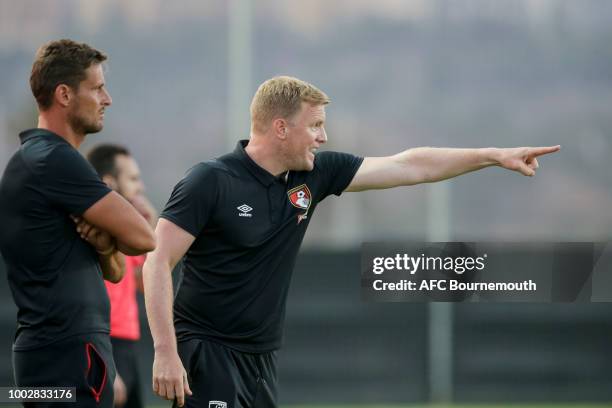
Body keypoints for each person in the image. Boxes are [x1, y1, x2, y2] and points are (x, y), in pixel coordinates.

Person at [143, 76, 560, 408]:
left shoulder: (314, 175)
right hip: (207, 351)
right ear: (281, 127)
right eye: (316, 125)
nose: (323, 137)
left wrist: (492, 155)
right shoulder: (210, 181)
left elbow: (410, 165)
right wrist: (165, 351)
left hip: (262, 358)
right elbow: (157, 261)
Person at [0, 39, 155, 407]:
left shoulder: (35, 160)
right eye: (98, 88)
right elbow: (143, 237)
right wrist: (112, 240)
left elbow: (115, 271)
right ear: (65, 95)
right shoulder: (54, 160)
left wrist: (103, 246)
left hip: (49, 354)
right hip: (68, 354)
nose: (107, 99)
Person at [87, 144, 157, 408]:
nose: (141, 187)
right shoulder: (93, 232)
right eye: (133, 179)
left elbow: (144, 282)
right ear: (110, 182)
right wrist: (105, 365)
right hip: (102, 345)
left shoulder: (125, 231)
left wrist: (149, 221)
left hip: (126, 346)